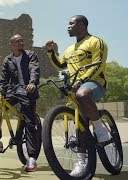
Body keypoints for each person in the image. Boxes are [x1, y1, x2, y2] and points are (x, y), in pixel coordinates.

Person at [45, 15, 109, 176]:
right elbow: (60, 65)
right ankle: (81, 162)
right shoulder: (69, 49)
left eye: (71, 23)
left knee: (82, 94)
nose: (68, 26)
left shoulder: (96, 41)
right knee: (79, 124)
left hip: (94, 83)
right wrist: (50, 51)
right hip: (75, 87)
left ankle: (101, 129)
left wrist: (81, 80)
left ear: (82, 25)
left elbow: (99, 64)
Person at [0, 34, 40, 172]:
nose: (21, 42)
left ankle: (32, 158)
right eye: (17, 41)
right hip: (15, 90)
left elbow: (34, 69)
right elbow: (4, 79)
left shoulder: (30, 55)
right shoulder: (8, 59)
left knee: (29, 121)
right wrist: (1, 92)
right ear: (11, 44)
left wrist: (32, 83)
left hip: (28, 91)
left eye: (22, 40)